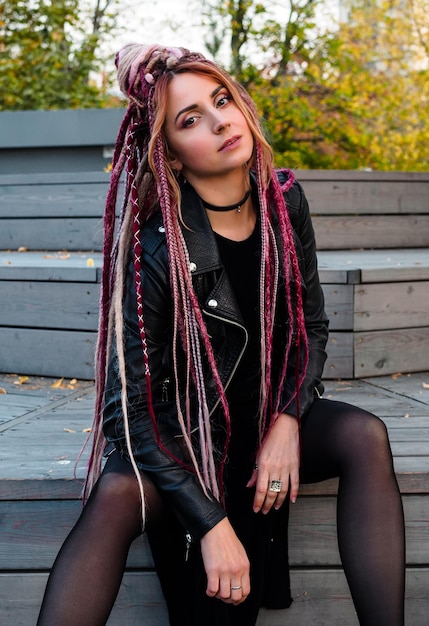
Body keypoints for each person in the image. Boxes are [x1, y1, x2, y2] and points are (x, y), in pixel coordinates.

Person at [37, 43, 405, 626]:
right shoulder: (155, 247)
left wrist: (288, 418)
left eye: (221, 100)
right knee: (114, 495)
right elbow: (128, 411)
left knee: (365, 435)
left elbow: (309, 326)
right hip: (183, 442)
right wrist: (208, 522)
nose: (219, 121)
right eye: (190, 120)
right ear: (172, 157)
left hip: (263, 420)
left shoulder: (284, 201)